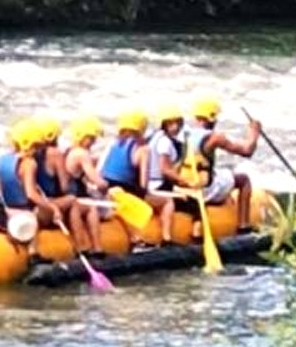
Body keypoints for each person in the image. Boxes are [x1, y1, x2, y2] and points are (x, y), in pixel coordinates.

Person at [0, 117, 90, 256]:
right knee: (72, 201)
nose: (37, 150)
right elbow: (31, 194)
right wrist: (53, 208)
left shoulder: (1, 160)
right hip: (29, 213)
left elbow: (0, 190)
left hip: (9, 212)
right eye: (36, 146)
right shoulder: (29, 163)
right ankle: (82, 247)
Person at [182, 97, 262, 233]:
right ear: (212, 118)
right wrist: (254, 132)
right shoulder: (215, 138)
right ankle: (243, 225)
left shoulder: (183, 133)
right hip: (204, 190)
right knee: (243, 179)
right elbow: (247, 151)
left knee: (221, 172)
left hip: (183, 186)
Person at [98, 110, 167, 249]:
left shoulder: (113, 144)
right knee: (167, 202)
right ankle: (167, 238)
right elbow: (143, 185)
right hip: (126, 193)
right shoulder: (143, 149)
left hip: (107, 192)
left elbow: (101, 170)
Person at [143, 105, 193, 245]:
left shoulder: (154, 137)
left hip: (152, 184)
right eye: (170, 124)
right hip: (159, 186)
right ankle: (168, 237)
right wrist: (185, 181)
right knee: (192, 205)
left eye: (177, 123)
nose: (175, 127)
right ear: (163, 125)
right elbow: (165, 169)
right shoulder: (165, 142)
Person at [62, 115, 109, 255]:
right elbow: (96, 180)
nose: (93, 143)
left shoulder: (69, 150)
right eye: (91, 138)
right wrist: (106, 186)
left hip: (71, 194)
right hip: (76, 196)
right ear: (82, 137)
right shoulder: (82, 154)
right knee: (93, 209)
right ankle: (97, 247)